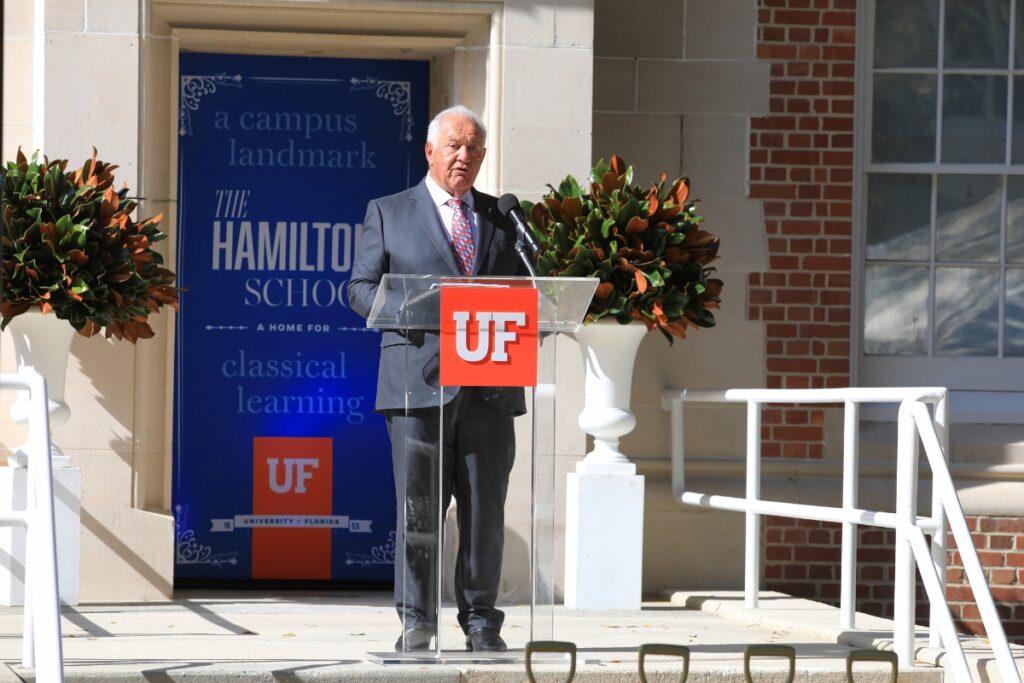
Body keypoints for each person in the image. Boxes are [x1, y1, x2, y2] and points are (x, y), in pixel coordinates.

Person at [347, 105, 529, 653]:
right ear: (429, 151)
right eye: (454, 145)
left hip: (489, 389)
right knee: (420, 511)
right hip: (416, 386)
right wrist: (418, 308)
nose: (464, 156)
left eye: (474, 147)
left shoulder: (503, 218)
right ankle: (417, 621)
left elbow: (528, 292)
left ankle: (480, 623)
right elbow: (358, 289)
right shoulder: (389, 211)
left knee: (484, 512)